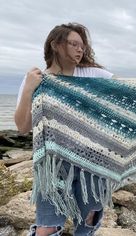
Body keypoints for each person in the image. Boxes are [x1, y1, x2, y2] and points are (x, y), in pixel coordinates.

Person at [14, 22, 114, 236]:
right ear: (56, 45)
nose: (81, 49)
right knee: (48, 227)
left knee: (89, 220)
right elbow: (22, 127)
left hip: (92, 163)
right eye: (74, 44)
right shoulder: (36, 79)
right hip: (53, 164)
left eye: (83, 46)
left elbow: (130, 94)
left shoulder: (95, 77)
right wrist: (29, 90)